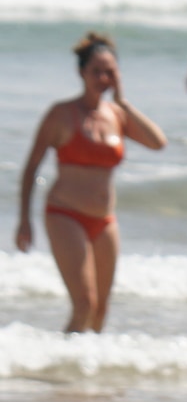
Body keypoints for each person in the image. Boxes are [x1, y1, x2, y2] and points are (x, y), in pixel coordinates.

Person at [15, 32, 167, 333]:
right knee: (84, 304)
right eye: (96, 71)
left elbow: (158, 142)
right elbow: (31, 167)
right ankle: (63, 359)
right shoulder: (61, 114)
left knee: (101, 309)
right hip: (65, 214)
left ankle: (86, 363)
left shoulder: (117, 115)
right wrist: (24, 220)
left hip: (104, 220)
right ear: (81, 72)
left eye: (110, 72)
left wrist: (124, 101)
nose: (103, 78)